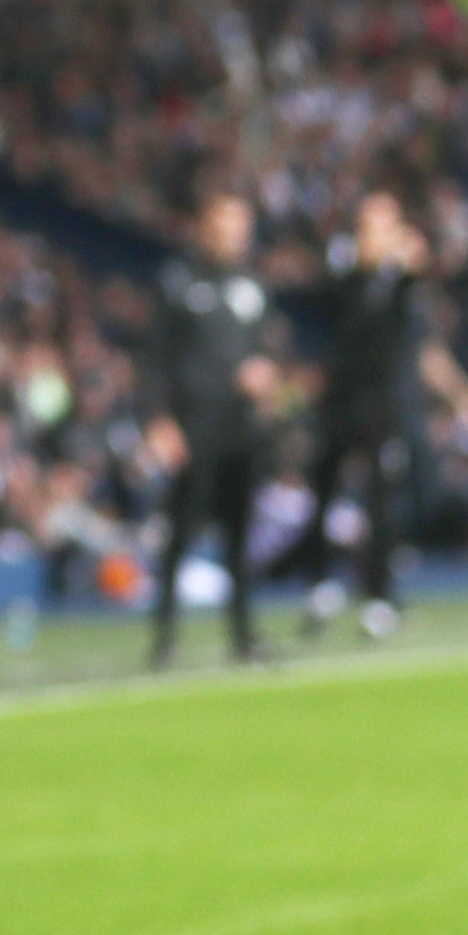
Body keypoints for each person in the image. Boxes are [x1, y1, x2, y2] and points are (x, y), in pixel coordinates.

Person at [298, 190, 468, 639]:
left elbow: (419, 343)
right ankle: (321, 584)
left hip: (385, 407)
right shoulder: (346, 274)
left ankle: (380, 595)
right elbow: (329, 317)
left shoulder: (405, 284)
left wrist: (459, 391)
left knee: (382, 501)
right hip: (341, 401)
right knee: (324, 490)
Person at [148, 188, 280, 669]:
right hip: (193, 424)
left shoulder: (252, 285)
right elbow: (156, 357)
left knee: (241, 536)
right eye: (225, 224)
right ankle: (164, 636)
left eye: (240, 225)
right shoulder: (179, 281)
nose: (233, 234)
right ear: (205, 226)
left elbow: (264, 348)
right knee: (181, 531)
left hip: (240, 428)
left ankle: (243, 635)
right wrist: (159, 420)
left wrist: (266, 376)